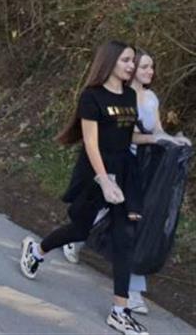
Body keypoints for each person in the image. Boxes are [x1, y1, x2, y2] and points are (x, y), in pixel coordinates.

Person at [19, 41, 162, 335]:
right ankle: (37, 249)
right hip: (95, 173)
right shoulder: (92, 97)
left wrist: (158, 140)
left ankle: (119, 312)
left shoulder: (129, 96)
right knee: (80, 230)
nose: (131, 66)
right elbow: (92, 143)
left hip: (124, 173)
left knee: (125, 237)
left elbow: (128, 137)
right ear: (110, 62)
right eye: (126, 60)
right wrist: (104, 180)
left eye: (133, 61)